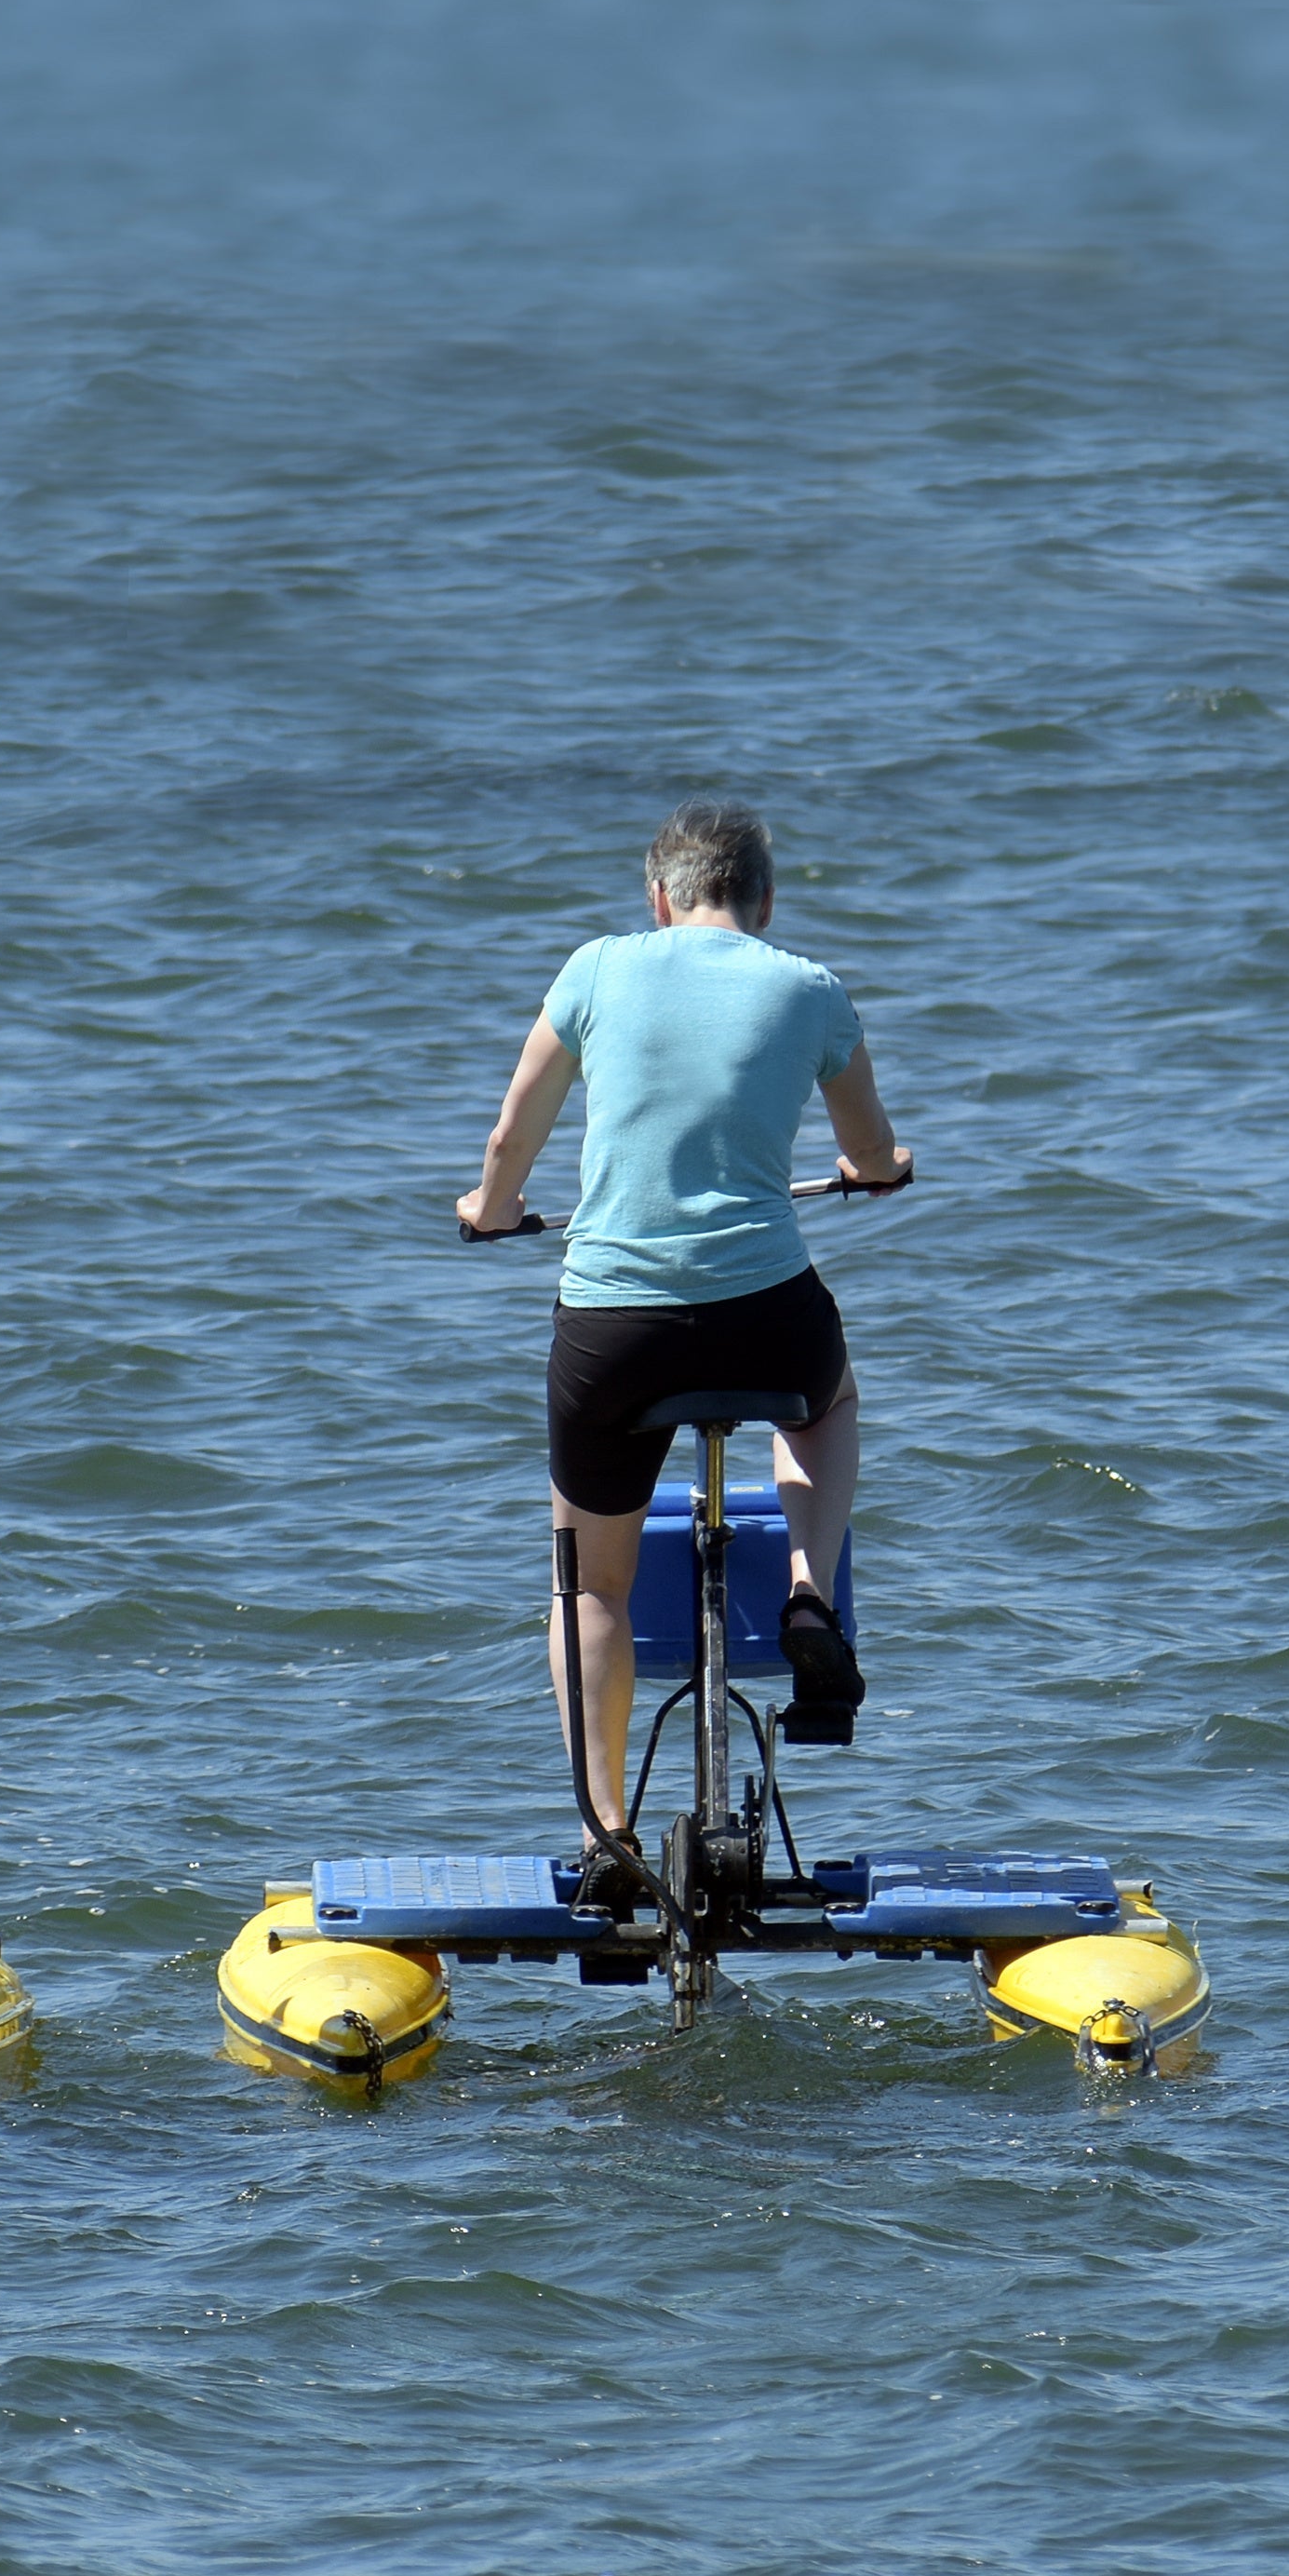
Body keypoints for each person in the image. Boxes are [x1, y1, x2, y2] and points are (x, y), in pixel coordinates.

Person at [455, 802, 910, 1884]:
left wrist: (490, 1205)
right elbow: (870, 1148)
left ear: (657, 899)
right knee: (826, 1398)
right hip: (764, 1316)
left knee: (592, 1588)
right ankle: (808, 1588)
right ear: (763, 902)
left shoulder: (598, 969)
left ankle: (606, 1831)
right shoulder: (810, 988)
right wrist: (881, 1169)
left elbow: (512, 1135)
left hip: (615, 1331)